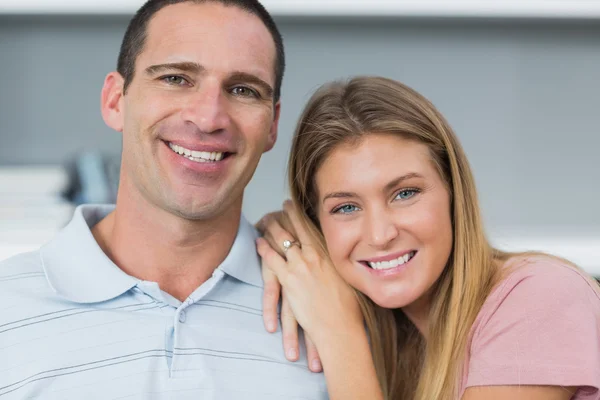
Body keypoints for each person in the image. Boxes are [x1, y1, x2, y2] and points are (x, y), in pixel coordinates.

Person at [0, 1, 328, 399]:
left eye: (243, 90)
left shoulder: (329, 312)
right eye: (176, 78)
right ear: (115, 100)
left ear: (273, 125)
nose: (208, 118)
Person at [256, 76, 600, 400]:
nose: (380, 234)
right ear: (316, 224)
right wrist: (282, 240)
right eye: (346, 207)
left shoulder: (540, 297)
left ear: (453, 190)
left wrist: (340, 336)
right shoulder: (398, 340)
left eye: (405, 193)